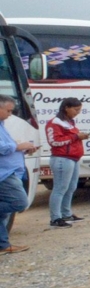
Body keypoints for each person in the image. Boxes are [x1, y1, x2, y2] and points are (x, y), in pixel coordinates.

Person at [0, 95, 37, 254]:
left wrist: (22, 148)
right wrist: (18, 146)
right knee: (20, 202)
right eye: (8, 111)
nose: (10, 114)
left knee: (4, 212)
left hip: (10, 171)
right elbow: (3, 147)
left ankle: (3, 244)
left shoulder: (2, 125)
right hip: (4, 173)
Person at [46, 97, 88, 227]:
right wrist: (76, 137)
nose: (77, 112)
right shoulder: (55, 122)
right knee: (60, 188)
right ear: (66, 108)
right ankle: (55, 217)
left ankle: (66, 213)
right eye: (76, 109)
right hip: (62, 158)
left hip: (71, 158)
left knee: (70, 187)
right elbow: (54, 142)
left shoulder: (68, 122)